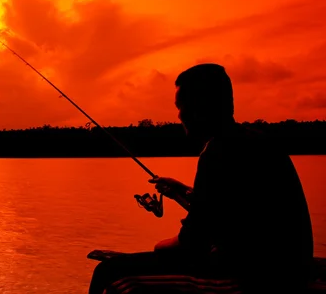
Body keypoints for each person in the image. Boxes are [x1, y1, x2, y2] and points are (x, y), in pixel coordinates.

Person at [89, 63, 314, 293]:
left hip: (252, 281)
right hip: (290, 273)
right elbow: (227, 211)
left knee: (110, 275)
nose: (179, 115)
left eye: (181, 106)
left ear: (200, 106)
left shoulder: (218, 151)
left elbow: (190, 246)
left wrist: (159, 247)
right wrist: (180, 191)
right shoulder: (256, 143)